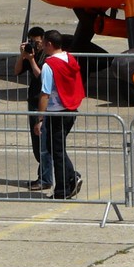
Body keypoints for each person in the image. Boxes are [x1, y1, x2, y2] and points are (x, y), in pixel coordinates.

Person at [37, 29, 85, 200]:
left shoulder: (50, 65)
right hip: (70, 108)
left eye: (43, 43)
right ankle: (69, 178)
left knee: (56, 151)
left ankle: (64, 186)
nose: (41, 46)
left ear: (49, 44)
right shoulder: (69, 58)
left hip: (57, 112)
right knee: (56, 148)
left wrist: (39, 118)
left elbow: (45, 93)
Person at [14, 25, 52, 191]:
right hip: (32, 99)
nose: (34, 45)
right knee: (36, 143)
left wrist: (31, 59)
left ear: (43, 41)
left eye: (36, 42)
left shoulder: (46, 56)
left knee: (44, 143)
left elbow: (41, 76)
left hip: (43, 101)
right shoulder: (31, 54)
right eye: (31, 41)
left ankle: (46, 178)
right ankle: (42, 175)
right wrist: (22, 55)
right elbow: (16, 71)